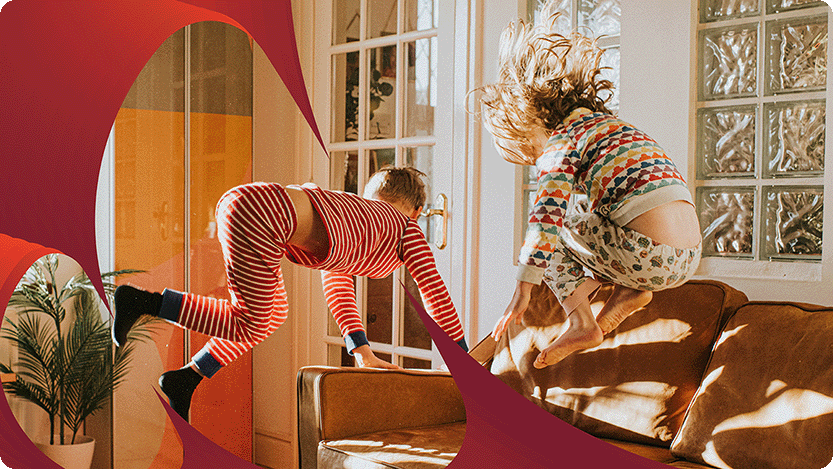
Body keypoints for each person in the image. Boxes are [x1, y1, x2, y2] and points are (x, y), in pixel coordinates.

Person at [112, 166, 468, 421]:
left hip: (247, 207)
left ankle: (187, 376)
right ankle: (143, 301)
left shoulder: (359, 221)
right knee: (251, 321)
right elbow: (433, 291)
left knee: (271, 315)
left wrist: (361, 351)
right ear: (418, 212)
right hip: (263, 215)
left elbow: (338, 285)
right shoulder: (404, 226)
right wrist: (462, 360)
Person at [480, 2, 702, 369]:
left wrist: (524, 285)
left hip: (647, 254)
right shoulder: (612, 128)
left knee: (557, 224)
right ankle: (631, 291)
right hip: (689, 256)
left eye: (532, 153)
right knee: (591, 209)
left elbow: (545, 217)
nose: (539, 161)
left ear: (530, 119)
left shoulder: (562, 141)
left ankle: (582, 322)